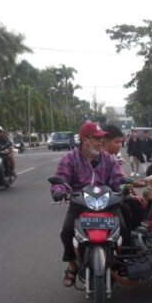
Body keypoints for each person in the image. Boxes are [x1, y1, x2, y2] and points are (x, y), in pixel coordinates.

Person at [51, 122, 126, 287]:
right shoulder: (70, 158)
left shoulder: (109, 159)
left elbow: (117, 179)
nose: (101, 142)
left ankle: (120, 260)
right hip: (80, 203)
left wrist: (123, 186)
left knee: (122, 227)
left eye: (102, 138)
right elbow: (61, 179)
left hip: (107, 203)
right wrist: (59, 191)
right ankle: (72, 265)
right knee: (67, 231)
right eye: (97, 138)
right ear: (85, 139)